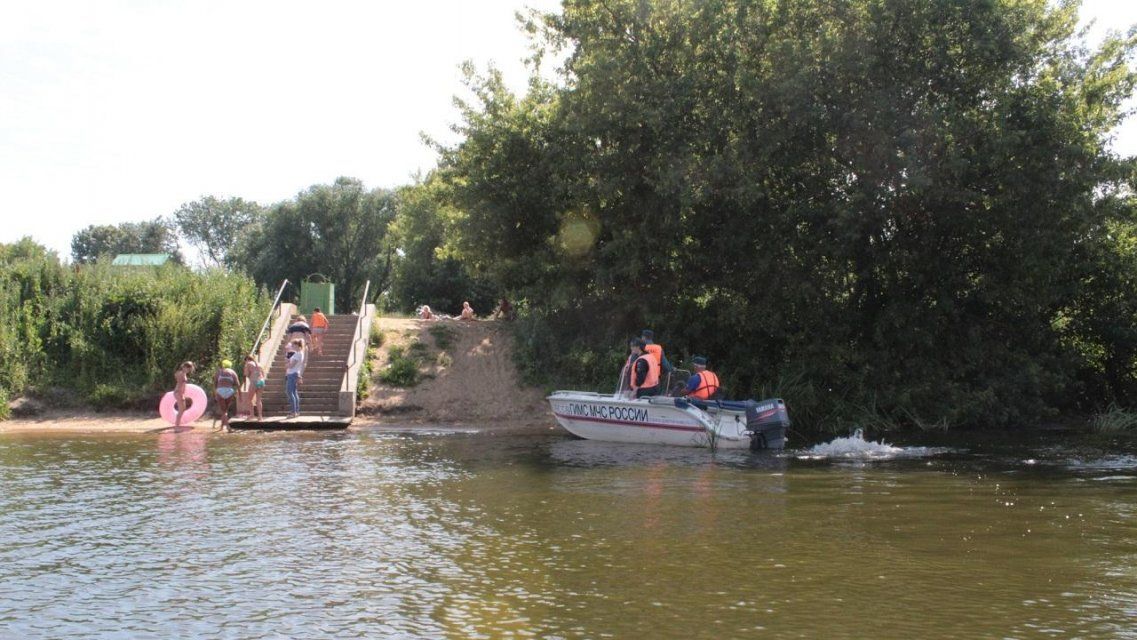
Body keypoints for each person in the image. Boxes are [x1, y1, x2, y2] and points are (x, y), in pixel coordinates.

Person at [214, 359, 240, 430]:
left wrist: (215, 393)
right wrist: (239, 395)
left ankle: (228, 426)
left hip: (220, 391)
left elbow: (215, 383)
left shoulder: (219, 372)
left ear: (223, 365)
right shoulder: (233, 372)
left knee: (224, 411)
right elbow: (238, 384)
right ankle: (222, 427)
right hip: (229, 391)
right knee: (225, 410)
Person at [284, 338, 306, 418]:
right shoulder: (299, 353)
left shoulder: (298, 354)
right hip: (294, 373)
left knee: (290, 392)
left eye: (293, 344)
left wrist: (287, 364)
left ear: (297, 345)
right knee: (294, 392)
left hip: (292, 374)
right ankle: (296, 411)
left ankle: (293, 412)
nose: (292, 346)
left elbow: (291, 365)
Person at [243, 354, 265, 421]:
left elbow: (246, 374)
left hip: (254, 382)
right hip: (261, 381)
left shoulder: (248, 364)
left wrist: (246, 370)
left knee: (249, 399)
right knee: (258, 400)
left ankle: (252, 415)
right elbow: (263, 374)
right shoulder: (259, 364)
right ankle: (260, 417)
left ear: (247, 359)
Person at [173, 361, 195, 428]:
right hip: (178, 392)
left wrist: (182, 394)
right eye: (188, 368)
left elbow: (182, 384)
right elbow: (180, 385)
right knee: (181, 410)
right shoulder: (181, 374)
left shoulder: (182, 373)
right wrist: (181, 394)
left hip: (179, 392)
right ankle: (176, 427)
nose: (189, 370)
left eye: (189, 369)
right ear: (184, 367)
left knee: (182, 409)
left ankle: (177, 425)